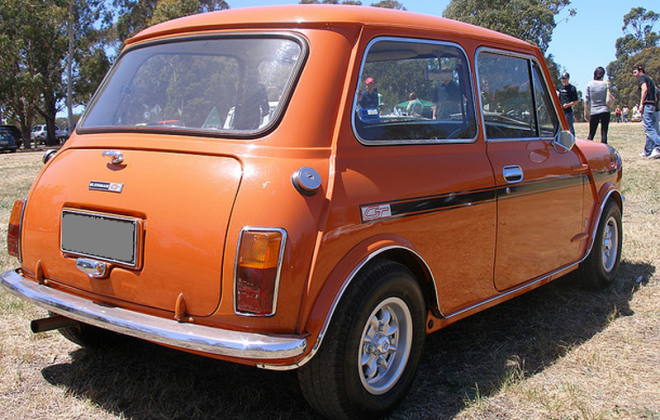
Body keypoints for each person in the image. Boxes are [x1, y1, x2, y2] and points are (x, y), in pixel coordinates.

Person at [632, 64, 660, 158]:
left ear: (640, 71)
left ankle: (658, 147)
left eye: (635, 72)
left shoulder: (642, 78)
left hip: (647, 105)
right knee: (651, 128)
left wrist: (641, 103)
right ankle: (647, 151)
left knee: (648, 128)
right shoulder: (650, 80)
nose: (634, 75)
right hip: (653, 105)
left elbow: (644, 89)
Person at [584, 66, 610, 144]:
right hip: (605, 110)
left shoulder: (590, 84)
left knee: (591, 134)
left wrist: (586, 112)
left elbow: (587, 99)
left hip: (594, 111)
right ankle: (604, 151)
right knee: (604, 133)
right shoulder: (607, 84)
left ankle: (588, 149)